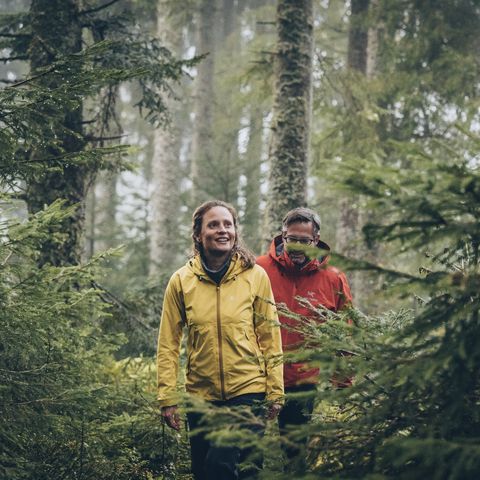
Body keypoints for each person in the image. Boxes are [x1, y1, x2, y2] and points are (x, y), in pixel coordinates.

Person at [157, 200, 284, 480]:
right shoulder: (181, 281)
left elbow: (270, 336)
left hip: (248, 390)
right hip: (201, 395)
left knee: (220, 466)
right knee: (207, 472)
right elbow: (168, 343)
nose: (222, 230)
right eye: (213, 225)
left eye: (228, 224)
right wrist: (167, 396)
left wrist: (275, 389)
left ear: (236, 232)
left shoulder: (255, 276)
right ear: (198, 234)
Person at [257, 207, 352, 468]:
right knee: (248, 451)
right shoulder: (259, 269)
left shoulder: (333, 278)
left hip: (303, 381)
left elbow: (345, 330)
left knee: (295, 455)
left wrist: (343, 383)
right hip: (257, 375)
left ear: (316, 239)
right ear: (282, 236)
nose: (297, 247)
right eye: (292, 239)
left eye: (304, 241)